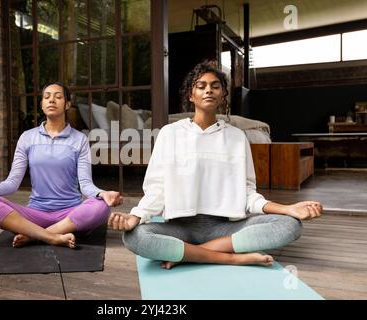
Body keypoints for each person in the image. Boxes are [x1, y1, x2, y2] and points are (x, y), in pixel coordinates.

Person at [108, 60, 322, 269]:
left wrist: (288, 209)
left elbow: (248, 194)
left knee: (290, 225)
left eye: (215, 86)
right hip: (180, 228)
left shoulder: (237, 137)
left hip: (224, 228)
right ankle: (227, 258)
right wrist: (134, 216)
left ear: (222, 95)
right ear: (191, 96)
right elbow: (156, 188)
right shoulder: (169, 134)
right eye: (201, 86)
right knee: (134, 236)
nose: (208, 90)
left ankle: (190, 254)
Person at [0, 82, 122, 248]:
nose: (52, 100)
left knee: (101, 206)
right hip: (35, 214)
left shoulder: (80, 140)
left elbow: (85, 185)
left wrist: (102, 193)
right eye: (47, 97)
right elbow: (11, 183)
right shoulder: (27, 137)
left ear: (67, 104)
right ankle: (52, 237)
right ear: (42, 104)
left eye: (58, 97)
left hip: (70, 215)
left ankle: (35, 235)